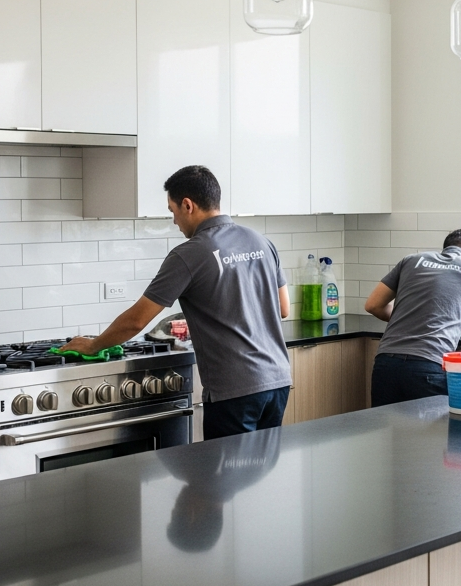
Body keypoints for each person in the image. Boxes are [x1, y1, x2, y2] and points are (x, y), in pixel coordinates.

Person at [60, 165, 292, 439]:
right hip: (277, 381)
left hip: (235, 390)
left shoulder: (190, 253)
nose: (174, 221)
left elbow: (137, 320)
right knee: (259, 474)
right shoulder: (260, 241)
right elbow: (282, 309)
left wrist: (93, 344)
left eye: (172, 211)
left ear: (187, 205)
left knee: (225, 480)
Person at [364, 229, 461, 407]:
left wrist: (409, 316)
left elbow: (373, 305)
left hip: (386, 364)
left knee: (389, 432)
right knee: (433, 434)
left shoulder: (411, 260)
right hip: (429, 365)